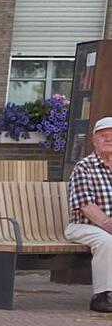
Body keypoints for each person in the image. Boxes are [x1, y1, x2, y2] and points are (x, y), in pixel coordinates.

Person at [65, 115, 112, 314]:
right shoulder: (83, 167)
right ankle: (102, 297)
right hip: (84, 226)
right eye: (103, 135)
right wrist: (108, 224)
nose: (108, 139)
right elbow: (85, 204)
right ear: (94, 140)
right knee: (107, 241)